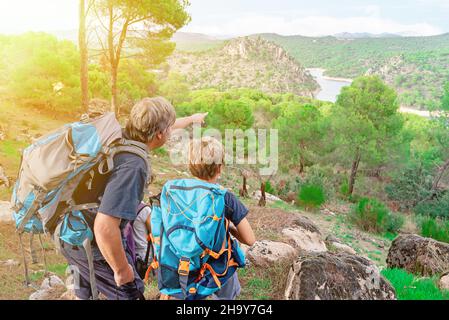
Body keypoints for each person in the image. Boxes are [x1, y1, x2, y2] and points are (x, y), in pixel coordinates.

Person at [60, 97, 208, 300]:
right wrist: (122, 271)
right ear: (159, 134)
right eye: (169, 129)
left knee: (84, 293)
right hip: (92, 243)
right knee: (131, 293)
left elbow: (170, 125)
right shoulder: (133, 165)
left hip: (71, 231)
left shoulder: (118, 136)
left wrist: (192, 119)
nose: (171, 132)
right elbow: (105, 227)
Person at [157, 136, 256, 300]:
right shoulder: (224, 197)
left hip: (177, 262)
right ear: (219, 168)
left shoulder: (172, 190)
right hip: (214, 269)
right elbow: (250, 239)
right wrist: (228, 226)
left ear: (191, 166)